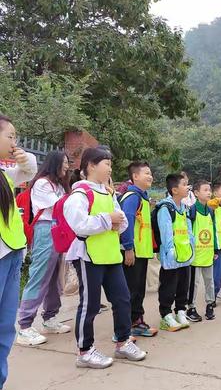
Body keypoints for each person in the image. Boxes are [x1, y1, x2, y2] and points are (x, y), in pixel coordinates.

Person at [64, 147, 146, 368]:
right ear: (91, 165)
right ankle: (85, 351)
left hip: (110, 255)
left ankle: (123, 341)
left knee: (122, 299)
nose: (110, 168)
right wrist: (107, 219)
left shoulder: (108, 193)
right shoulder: (80, 194)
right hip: (89, 256)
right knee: (89, 305)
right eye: (107, 164)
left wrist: (113, 221)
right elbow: (79, 225)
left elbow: (122, 222)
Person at [0, 115, 37, 390]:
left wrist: (27, 157)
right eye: (10, 137)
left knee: (3, 329)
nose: (15, 143)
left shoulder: (4, 172)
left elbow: (28, 171)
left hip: (11, 255)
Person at [17, 151, 72, 347]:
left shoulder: (58, 185)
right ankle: (24, 326)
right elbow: (60, 206)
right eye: (64, 163)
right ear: (55, 163)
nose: (67, 166)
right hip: (45, 230)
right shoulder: (41, 184)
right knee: (39, 276)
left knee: (54, 278)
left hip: (57, 231)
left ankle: (50, 318)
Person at [119, 162, 158, 337]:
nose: (150, 176)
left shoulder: (142, 197)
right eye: (146, 173)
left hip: (141, 252)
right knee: (131, 290)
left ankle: (137, 321)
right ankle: (124, 328)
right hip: (132, 253)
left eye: (151, 173)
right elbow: (126, 222)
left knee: (138, 290)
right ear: (135, 176)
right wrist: (128, 248)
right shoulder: (132, 196)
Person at [157, 174, 195, 331]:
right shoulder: (165, 208)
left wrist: (192, 248)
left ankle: (180, 310)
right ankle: (166, 315)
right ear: (174, 190)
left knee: (183, 285)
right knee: (169, 286)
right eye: (184, 184)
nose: (188, 187)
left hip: (185, 254)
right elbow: (166, 233)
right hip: (172, 257)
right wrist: (170, 253)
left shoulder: (184, 208)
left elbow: (189, 231)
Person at [186, 180, 217, 322]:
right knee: (194, 283)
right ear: (196, 193)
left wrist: (215, 248)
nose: (209, 192)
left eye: (209, 190)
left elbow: (214, 230)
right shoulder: (191, 210)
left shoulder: (211, 211)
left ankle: (210, 304)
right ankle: (190, 307)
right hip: (195, 255)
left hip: (208, 253)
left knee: (210, 281)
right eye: (205, 190)